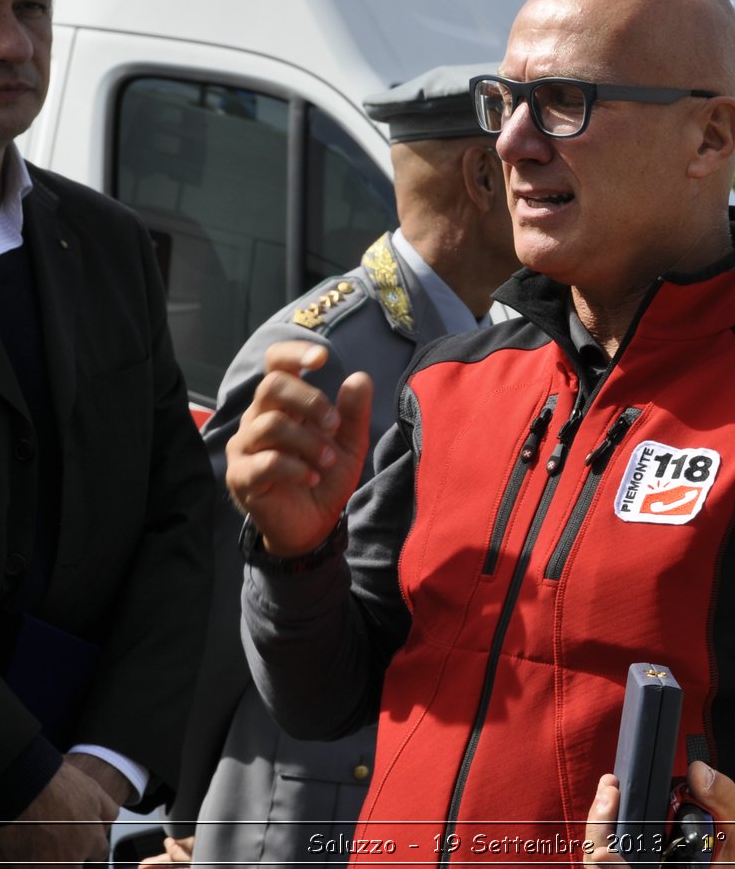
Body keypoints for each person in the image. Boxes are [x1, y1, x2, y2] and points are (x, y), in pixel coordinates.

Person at [225, 0, 735, 865]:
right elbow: (322, 698)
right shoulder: (447, 382)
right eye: (502, 102)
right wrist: (295, 555)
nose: (512, 142)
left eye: (563, 101)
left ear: (711, 137)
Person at [149, 65, 521, 866]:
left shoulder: (504, 343)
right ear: (484, 176)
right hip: (303, 802)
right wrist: (183, 803)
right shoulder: (324, 349)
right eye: (525, 158)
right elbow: (210, 592)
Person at [0, 0, 214, 866]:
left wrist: (103, 765)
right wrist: (18, 780)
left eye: (34, 7)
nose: (13, 43)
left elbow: (182, 514)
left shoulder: (107, 244)